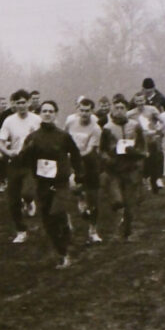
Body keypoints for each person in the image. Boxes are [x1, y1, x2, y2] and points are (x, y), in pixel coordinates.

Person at [18, 101, 83, 268]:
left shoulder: (63, 136)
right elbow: (23, 160)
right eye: (44, 111)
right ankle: (60, 251)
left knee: (57, 213)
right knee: (48, 220)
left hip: (60, 182)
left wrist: (79, 175)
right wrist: (27, 150)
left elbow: (75, 155)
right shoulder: (33, 137)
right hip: (42, 183)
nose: (47, 114)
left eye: (51, 111)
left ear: (56, 114)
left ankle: (64, 246)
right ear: (40, 113)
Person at [99, 97, 147, 240]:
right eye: (116, 108)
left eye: (122, 108)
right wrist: (109, 160)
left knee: (130, 202)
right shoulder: (107, 128)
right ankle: (117, 221)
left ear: (127, 110)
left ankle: (127, 230)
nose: (119, 111)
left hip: (131, 169)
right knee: (118, 201)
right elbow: (102, 150)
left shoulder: (135, 126)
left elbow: (142, 147)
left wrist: (136, 153)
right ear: (112, 110)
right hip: (114, 169)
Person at [0, 90, 42, 243]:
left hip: (31, 162)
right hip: (15, 161)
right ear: (14, 105)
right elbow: (0, 142)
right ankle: (21, 231)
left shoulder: (37, 119)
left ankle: (29, 201)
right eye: (18, 103)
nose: (21, 106)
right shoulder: (9, 121)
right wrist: (8, 152)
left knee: (28, 192)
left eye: (24, 102)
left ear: (29, 103)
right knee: (13, 200)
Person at [64, 97, 104, 243]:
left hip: (90, 164)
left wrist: (74, 154)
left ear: (92, 112)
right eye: (82, 110)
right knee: (74, 187)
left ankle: (93, 231)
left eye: (87, 111)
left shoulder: (96, 128)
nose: (84, 114)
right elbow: (65, 138)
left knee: (93, 200)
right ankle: (81, 199)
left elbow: (89, 150)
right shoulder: (70, 122)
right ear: (77, 110)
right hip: (73, 163)